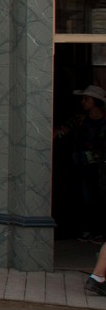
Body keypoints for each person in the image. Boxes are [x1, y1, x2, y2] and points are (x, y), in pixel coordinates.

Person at [57, 84, 106, 242]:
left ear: (96, 102)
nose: (83, 102)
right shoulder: (80, 119)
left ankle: (98, 231)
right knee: (83, 196)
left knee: (99, 197)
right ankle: (86, 229)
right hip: (80, 164)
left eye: (87, 99)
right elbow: (65, 129)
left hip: (100, 167)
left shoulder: (104, 121)